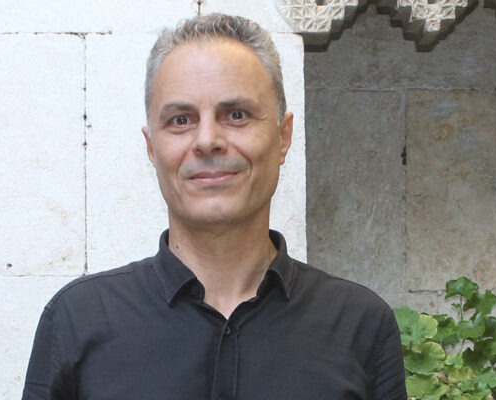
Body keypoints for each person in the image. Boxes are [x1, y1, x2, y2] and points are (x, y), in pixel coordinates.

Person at [22, 13, 406, 400]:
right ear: (152, 147)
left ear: (283, 136)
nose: (207, 140)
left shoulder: (360, 325)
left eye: (236, 115)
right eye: (181, 120)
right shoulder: (78, 320)